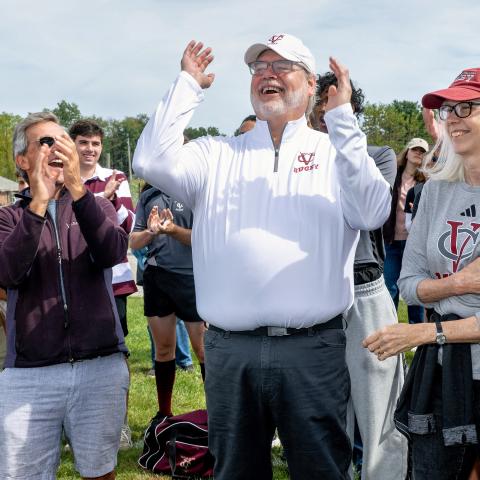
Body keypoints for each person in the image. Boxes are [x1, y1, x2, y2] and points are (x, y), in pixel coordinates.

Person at [133, 34, 391, 479]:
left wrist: (343, 120)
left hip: (314, 347)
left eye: (281, 66)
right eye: (258, 67)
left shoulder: (337, 152)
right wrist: (187, 85)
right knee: (235, 470)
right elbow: (151, 161)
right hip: (230, 350)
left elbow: (372, 211)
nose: (267, 74)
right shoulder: (217, 154)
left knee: (322, 469)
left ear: (312, 86)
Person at [364, 67, 480, 479]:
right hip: (444, 372)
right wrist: (461, 284)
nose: (452, 118)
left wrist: (425, 332)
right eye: (448, 109)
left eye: (466, 107)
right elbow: (409, 285)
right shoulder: (434, 191)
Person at [0, 112, 129, 480]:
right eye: (46, 142)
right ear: (22, 161)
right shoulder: (8, 217)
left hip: (99, 366)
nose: (58, 148)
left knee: (99, 471)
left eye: (63, 141)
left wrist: (78, 191)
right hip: (29, 372)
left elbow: (112, 253)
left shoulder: (97, 206)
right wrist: (38, 206)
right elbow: (8, 273)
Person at [311, 72, 407, 480]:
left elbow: (365, 206)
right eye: (318, 113)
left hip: (365, 288)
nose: (322, 120)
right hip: (313, 292)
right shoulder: (293, 158)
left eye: (332, 111)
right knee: (323, 412)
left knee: (379, 408)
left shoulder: (378, 154)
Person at [68, 119, 136, 449]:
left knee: (115, 355)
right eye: (83, 143)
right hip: (72, 278)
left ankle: (119, 425)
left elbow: (127, 224)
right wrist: (101, 201)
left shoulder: (116, 179)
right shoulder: (61, 179)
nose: (90, 149)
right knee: (73, 352)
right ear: (72, 144)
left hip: (113, 279)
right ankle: (71, 425)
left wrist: (105, 200)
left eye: (95, 144)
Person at [130, 187, 205, 419]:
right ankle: (164, 414)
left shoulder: (194, 191)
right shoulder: (148, 195)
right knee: (163, 350)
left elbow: (203, 237)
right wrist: (151, 233)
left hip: (192, 279)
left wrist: (173, 230)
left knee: (203, 351)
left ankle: (218, 414)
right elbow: (134, 241)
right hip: (157, 279)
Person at [383, 137, 429, 324]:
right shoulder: (392, 175)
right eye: (415, 149)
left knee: (413, 289)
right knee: (389, 286)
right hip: (391, 240)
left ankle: (415, 330)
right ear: (407, 152)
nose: (418, 153)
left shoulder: (427, 181)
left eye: (422, 151)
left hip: (414, 244)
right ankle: (391, 326)